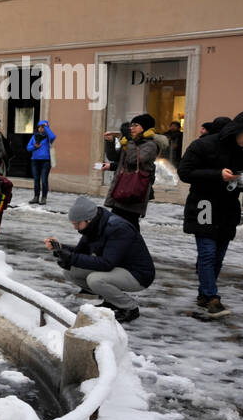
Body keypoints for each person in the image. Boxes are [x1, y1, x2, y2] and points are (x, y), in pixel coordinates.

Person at [179, 110, 243, 318]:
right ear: (238, 130)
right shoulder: (203, 145)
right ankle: (212, 298)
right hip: (204, 205)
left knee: (218, 256)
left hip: (228, 208)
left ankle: (204, 294)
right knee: (207, 252)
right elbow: (184, 172)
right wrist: (217, 175)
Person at [45, 196, 155, 324]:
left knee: (95, 279)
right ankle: (112, 301)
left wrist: (71, 258)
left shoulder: (118, 228)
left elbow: (107, 263)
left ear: (89, 219)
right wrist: (61, 249)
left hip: (138, 274)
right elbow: (80, 252)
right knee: (70, 272)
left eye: (76, 224)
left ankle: (130, 308)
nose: (75, 228)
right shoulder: (93, 226)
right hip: (117, 268)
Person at [100, 114, 166, 230]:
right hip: (122, 188)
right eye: (131, 126)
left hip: (134, 191)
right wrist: (110, 142)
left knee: (129, 226)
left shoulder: (150, 145)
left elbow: (132, 160)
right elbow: (115, 157)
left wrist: (129, 140)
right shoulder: (130, 143)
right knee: (117, 225)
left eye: (136, 125)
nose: (132, 128)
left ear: (145, 127)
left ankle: (134, 247)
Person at [27, 120, 56, 204]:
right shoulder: (34, 137)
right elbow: (28, 148)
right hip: (35, 161)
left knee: (44, 180)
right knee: (36, 180)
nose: (41, 128)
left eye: (42, 127)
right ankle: (36, 197)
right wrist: (34, 147)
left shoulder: (48, 138)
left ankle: (44, 198)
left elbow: (53, 137)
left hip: (45, 162)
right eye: (39, 127)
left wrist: (46, 127)